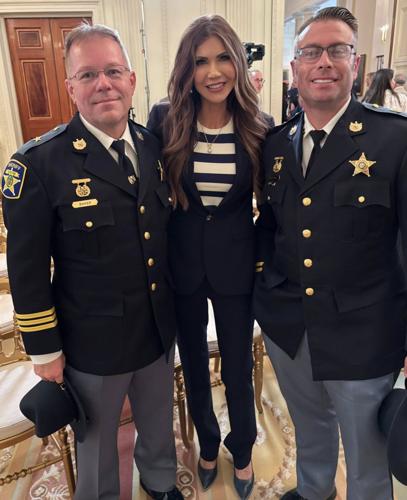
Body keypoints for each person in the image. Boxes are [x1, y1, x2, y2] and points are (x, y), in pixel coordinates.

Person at [2, 23, 182, 500]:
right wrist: (45, 351)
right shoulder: (38, 164)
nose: (103, 83)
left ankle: (161, 484)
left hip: (158, 327)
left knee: (158, 423)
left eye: (113, 71)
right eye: (88, 75)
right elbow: (26, 269)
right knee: (98, 440)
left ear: (131, 80)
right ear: (70, 88)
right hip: (92, 341)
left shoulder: (152, 147)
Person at [254, 6, 407, 500]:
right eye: (311, 52)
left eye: (336, 50)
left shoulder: (394, 138)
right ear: (294, 67)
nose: (324, 62)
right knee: (310, 427)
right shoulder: (276, 144)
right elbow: (272, 229)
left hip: (366, 332)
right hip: (291, 327)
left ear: (354, 64)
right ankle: (315, 490)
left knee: (366, 453)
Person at [147, 14, 268, 500]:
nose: (213, 71)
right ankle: (208, 445)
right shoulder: (164, 119)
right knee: (194, 363)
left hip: (237, 267)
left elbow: (274, 204)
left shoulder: (259, 126)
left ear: (237, 62)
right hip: (183, 267)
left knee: (239, 366)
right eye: (201, 61)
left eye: (222, 57)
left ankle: (242, 449)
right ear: (187, 69)